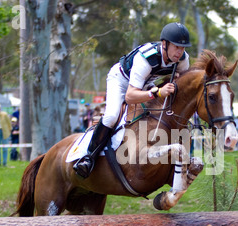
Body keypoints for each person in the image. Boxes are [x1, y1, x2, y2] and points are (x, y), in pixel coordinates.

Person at [73, 22, 191, 178]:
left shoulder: (183, 59)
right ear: (164, 44)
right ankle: (87, 158)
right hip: (121, 81)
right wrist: (158, 93)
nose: (180, 52)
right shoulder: (146, 58)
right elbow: (130, 97)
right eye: (176, 47)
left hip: (147, 83)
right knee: (111, 116)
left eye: (183, 48)